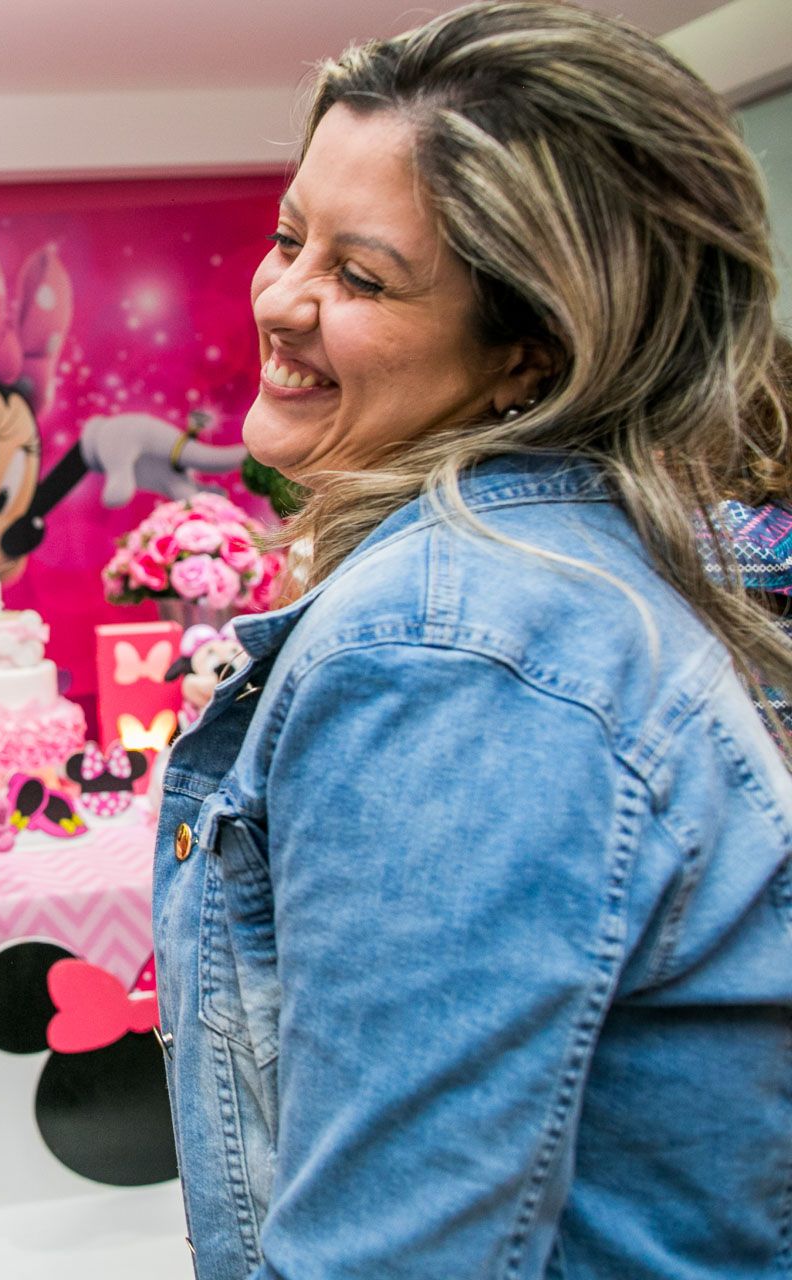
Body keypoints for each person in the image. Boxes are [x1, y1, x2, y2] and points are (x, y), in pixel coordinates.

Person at [150, 3, 792, 1277]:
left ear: (532, 355)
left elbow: (394, 1254)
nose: (282, 298)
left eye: (360, 276)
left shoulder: (452, 653)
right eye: (290, 238)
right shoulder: (548, 580)